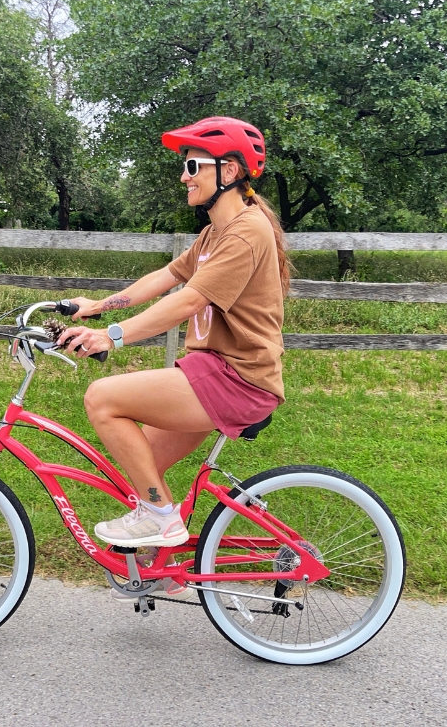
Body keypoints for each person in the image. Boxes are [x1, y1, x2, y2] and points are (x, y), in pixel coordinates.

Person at [57, 116, 290, 600]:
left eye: (192, 165)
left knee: (103, 398)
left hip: (238, 380)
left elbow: (187, 301)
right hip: (211, 373)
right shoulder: (212, 235)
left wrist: (111, 338)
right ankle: (163, 564)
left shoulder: (247, 232)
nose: (183, 176)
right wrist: (95, 307)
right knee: (143, 471)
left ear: (229, 170)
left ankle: (162, 523)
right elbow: (164, 278)